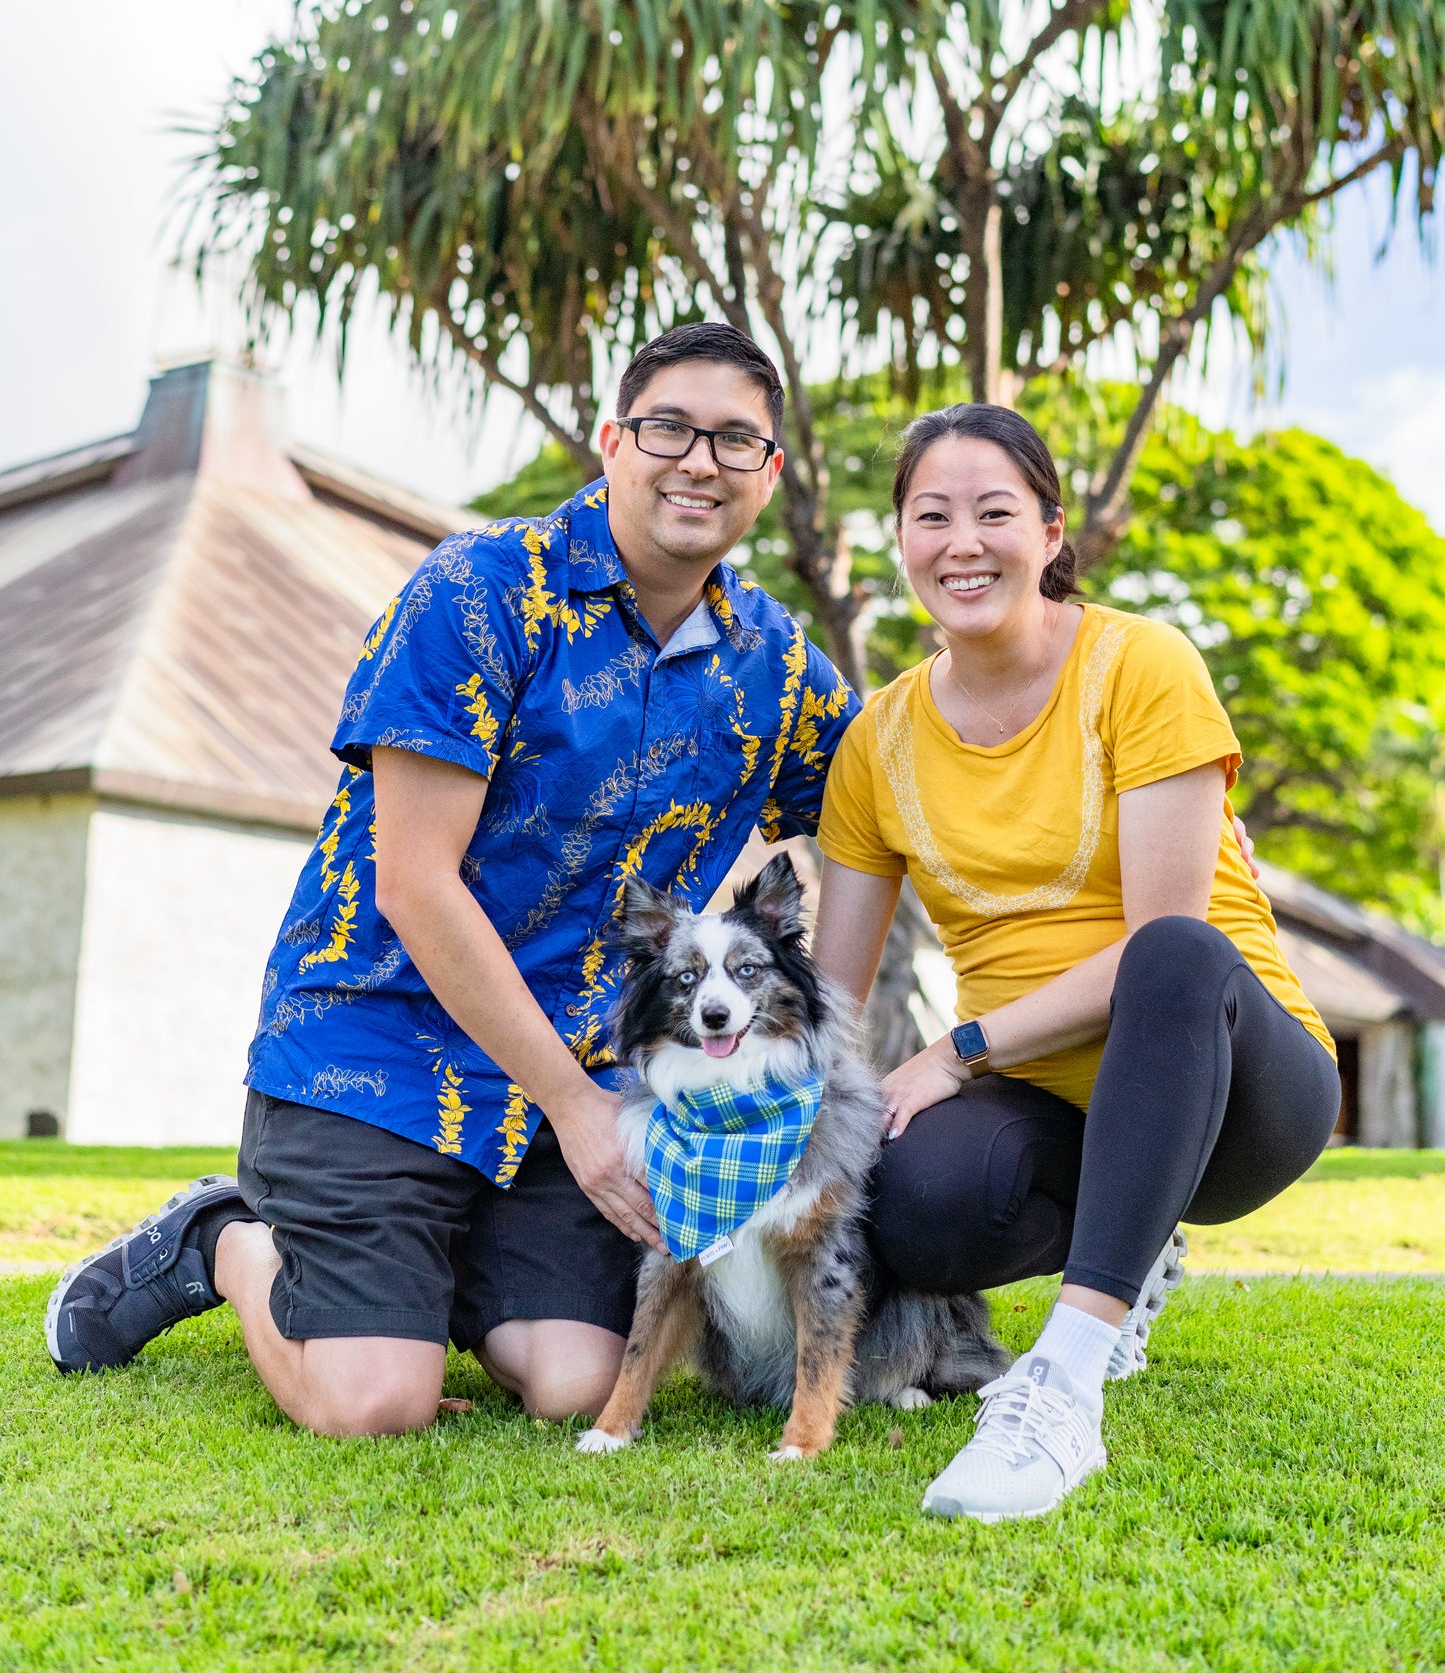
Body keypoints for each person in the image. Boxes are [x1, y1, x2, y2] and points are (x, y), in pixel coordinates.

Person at [47, 324, 858, 1435]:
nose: (699, 460)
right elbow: (415, 884)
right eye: (669, 427)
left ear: (768, 473)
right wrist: (576, 1107)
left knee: (577, 1381)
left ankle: (437, 1270)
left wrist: (832, 1056)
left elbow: (880, 813)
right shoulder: (480, 592)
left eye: (735, 440)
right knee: (376, 1401)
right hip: (380, 1047)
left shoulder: (774, 664)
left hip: (568, 1078)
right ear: (614, 440)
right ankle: (221, 1237)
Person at [812, 401, 1339, 1524]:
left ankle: (1062, 1382)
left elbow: (1159, 945)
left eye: (994, 511)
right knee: (914, 1203)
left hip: (1240, 1087)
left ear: (1050, 534)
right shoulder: (877, 739)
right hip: (1050, 1102)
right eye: (930, 514)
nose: (963, 541)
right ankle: (1128, 1246)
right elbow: (831, 1000)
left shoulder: (1140, 665)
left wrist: (956, 1049)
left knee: (1175, 954)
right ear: (899, 538)